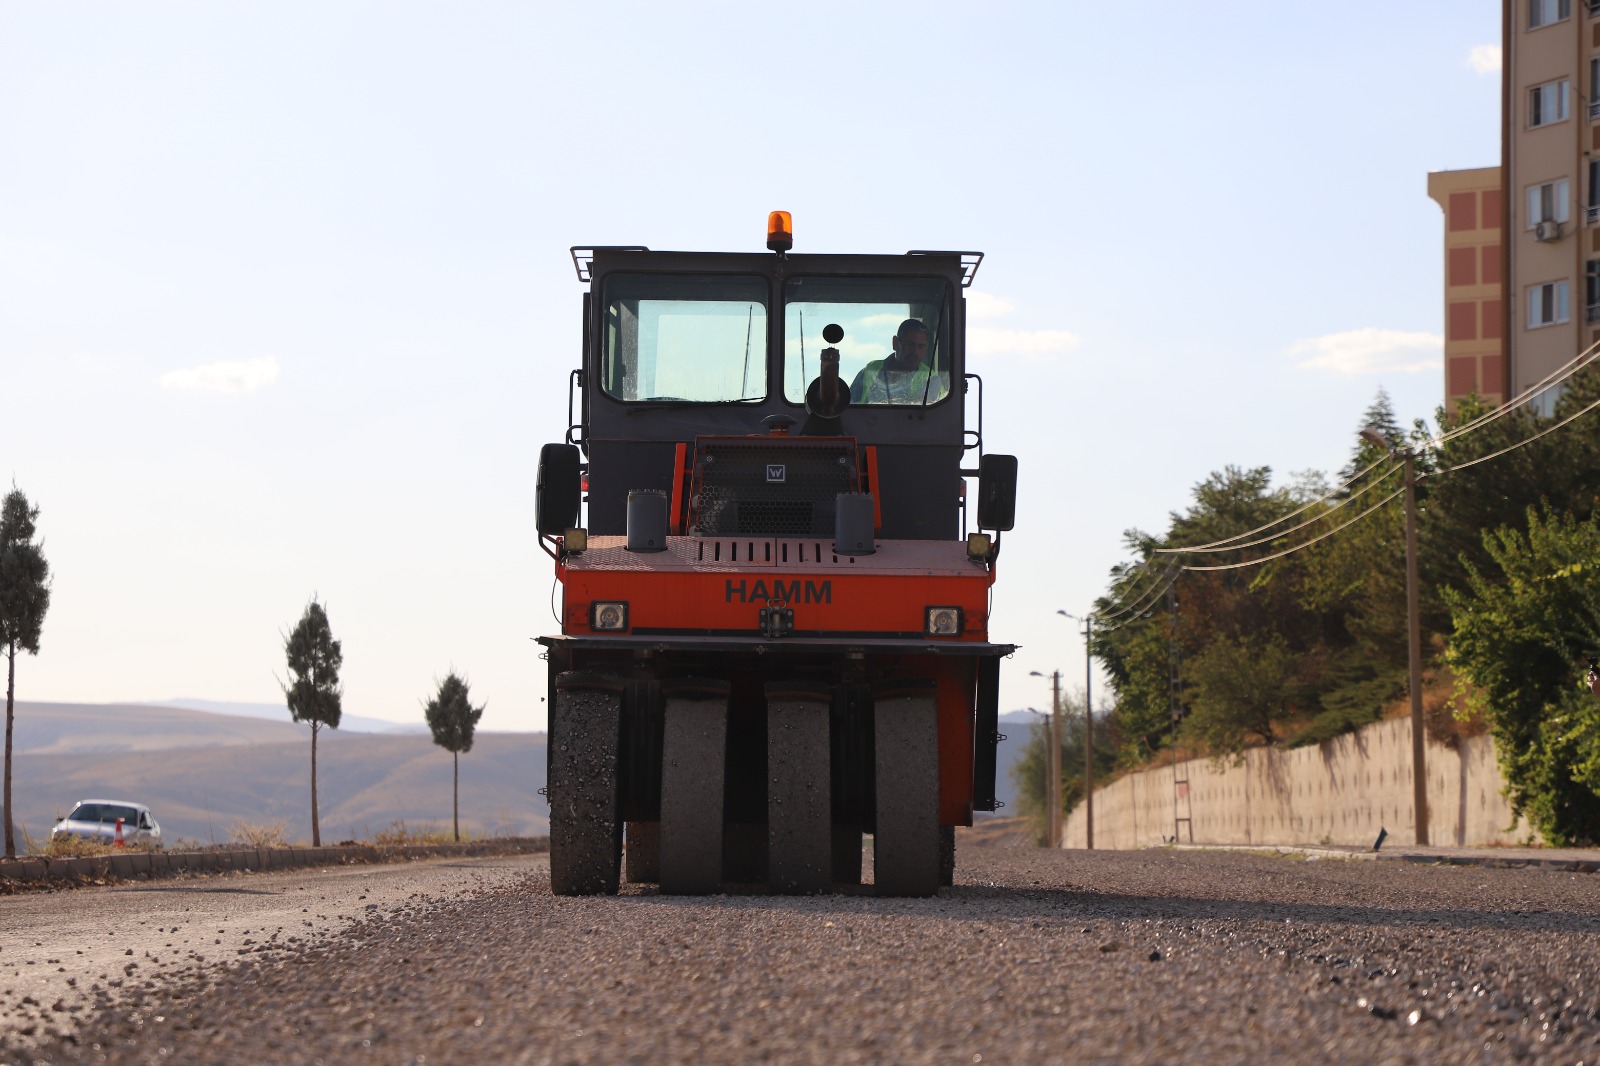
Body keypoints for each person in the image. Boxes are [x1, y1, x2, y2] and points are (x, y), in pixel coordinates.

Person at [849, 318, 948, 405]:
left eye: (921, 346)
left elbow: (917, 415)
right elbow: (849, 407)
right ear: (895, 343)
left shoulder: (931, 379)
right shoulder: (869, 371)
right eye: (910, 344)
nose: (915, 352)